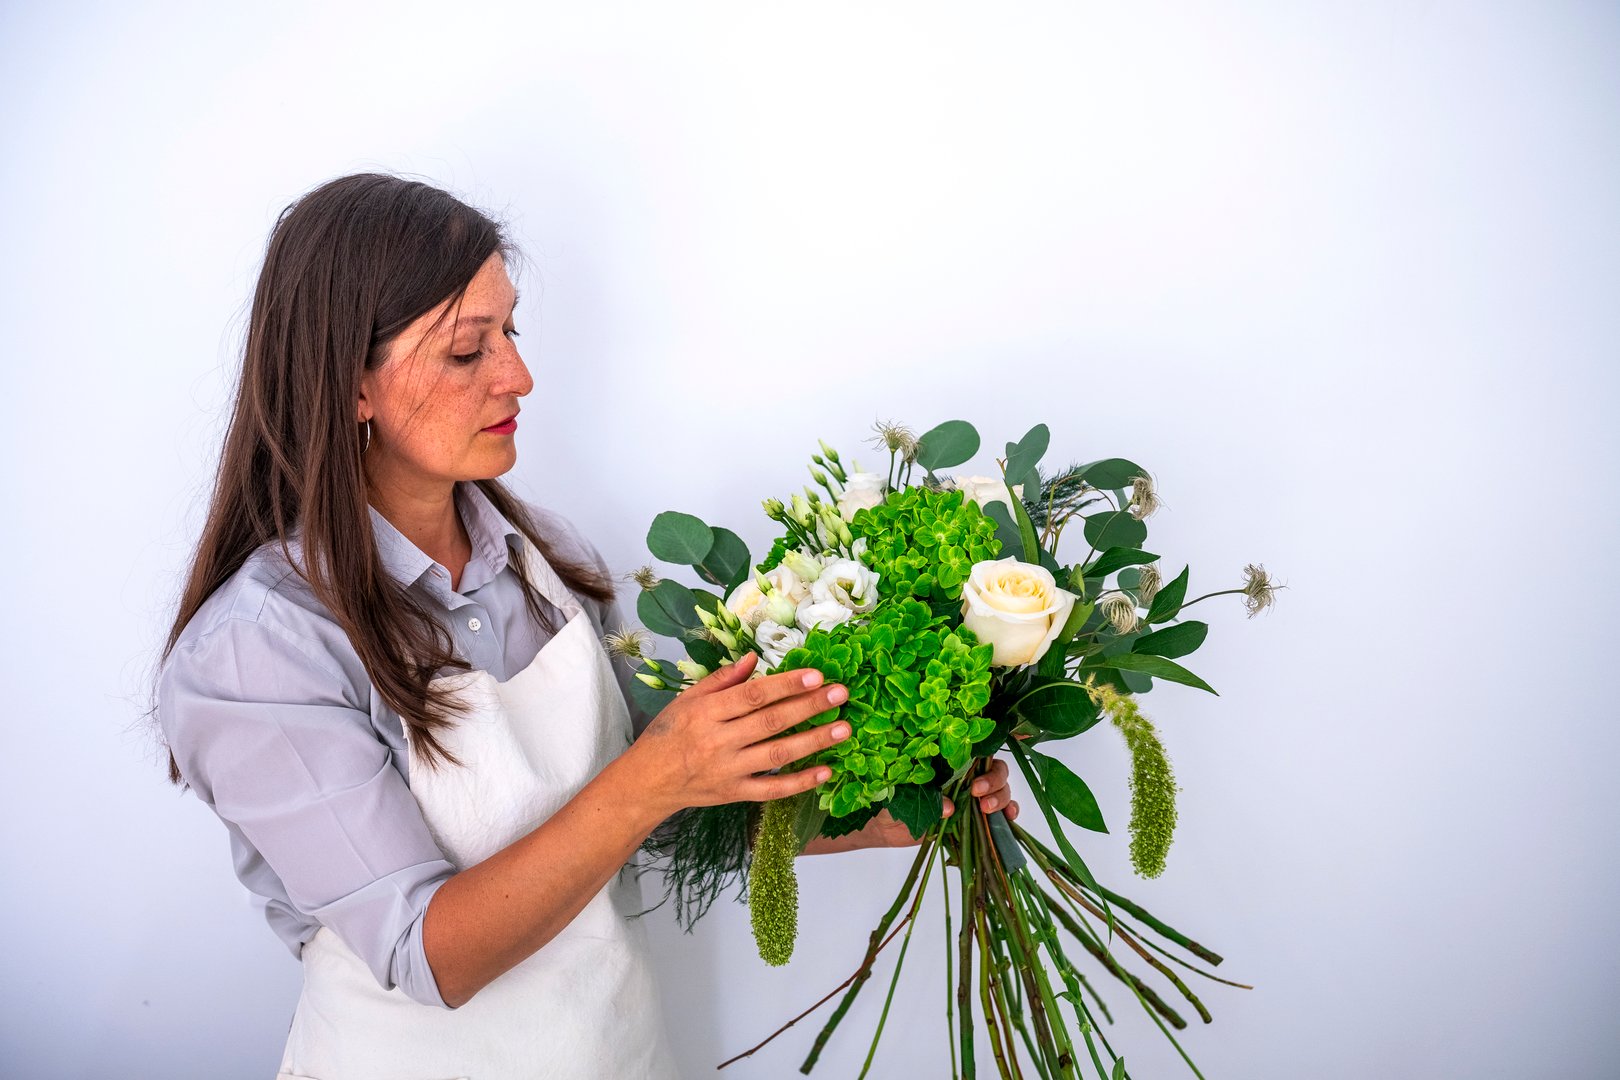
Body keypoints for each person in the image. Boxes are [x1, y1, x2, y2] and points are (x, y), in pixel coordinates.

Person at [153, 172, 1019, 1080]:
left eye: (511, 332)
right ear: (350, 382)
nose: (517, 376)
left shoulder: (544, 560)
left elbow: (661, 813)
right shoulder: (259, 650)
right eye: (465, 353)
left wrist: (872, 818)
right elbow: (429, 955)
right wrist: (657, 774)